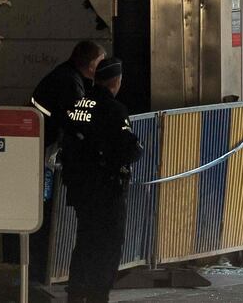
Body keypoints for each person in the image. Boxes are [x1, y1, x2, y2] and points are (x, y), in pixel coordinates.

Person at [61, 58, 143, 303]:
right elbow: (129, 148)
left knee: (85, 239)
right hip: (106, 189)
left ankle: (76, 292)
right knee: (108, 245)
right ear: (116, 81)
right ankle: (98, 295)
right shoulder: (114, 109)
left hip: (79, 187)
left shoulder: (77, 105)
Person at [26, 40, 105, 283]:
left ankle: (39, 269)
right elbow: (76, 121)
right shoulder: (69, 82)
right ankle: (38, 270)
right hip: (41, 153)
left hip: (40, 150)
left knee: (42, 210)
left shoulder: (67, 76)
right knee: (42, 212)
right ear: (91, 64)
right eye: (101, 62)